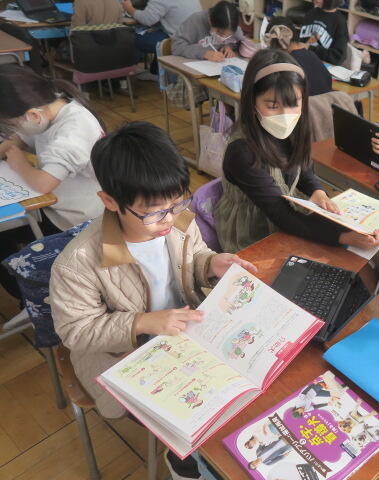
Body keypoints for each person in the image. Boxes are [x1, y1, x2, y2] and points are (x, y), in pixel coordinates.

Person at [49, 121, 257, 480]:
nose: (169, 219)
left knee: (248, 383)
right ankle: (182, 467)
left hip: (185, 334)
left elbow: (194, 257)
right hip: (122, 356)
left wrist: (211, 264)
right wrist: (142, 322)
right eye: (154, 211)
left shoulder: (177, 221)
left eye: (177, 203)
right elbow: (76, 332)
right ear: (110, 201)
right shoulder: (78, 263)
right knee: (195, 420)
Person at [214, 48, 379, 252]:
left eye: (294, 104)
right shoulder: (242, 151)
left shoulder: (294, 127)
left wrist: (317, 190)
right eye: (272, 106)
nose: (285, 115)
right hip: (253, 233)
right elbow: (278, 212)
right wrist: (344, 237)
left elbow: (304, 167)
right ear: (252, 101)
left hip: (287, 215)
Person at [0, 65, 105, 299]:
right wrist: (6, 148)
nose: (10, 130)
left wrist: (19, 163)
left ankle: (33, 297)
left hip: (79, 220)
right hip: (58, 204)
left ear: (33, 115)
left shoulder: (72, 133)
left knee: (4, 237)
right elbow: (21, 138)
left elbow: (44, 184)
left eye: (10, 124)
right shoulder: (50, 104)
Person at [122, 0, 202, 75]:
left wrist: (129, 8)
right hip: (197, 37)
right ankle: (155, 71)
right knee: (157, 33)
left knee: (135, 38)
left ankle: (128, 71)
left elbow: (147, 19)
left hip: (180, 41)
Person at [264, 16, 333, 96]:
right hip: (325, 102)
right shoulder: (312, 55)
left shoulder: (286, 65)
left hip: (307, 103)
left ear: (276, 45)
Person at [172, 1, 245, 61]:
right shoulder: (195, 21)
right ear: (210, 20)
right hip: (193, 67)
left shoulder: (231, 25)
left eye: (227, 36)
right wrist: (204, 53)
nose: (223, 38)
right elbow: (177, 47)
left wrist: (228, 47)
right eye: (220, 33)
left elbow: (238, 42)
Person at [299, 0, 349, 65]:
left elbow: (338, 57)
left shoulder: (340, 21)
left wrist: (309, 48)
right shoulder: (311, 13)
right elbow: (301, 40)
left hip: (323, 64)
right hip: (303, 58)